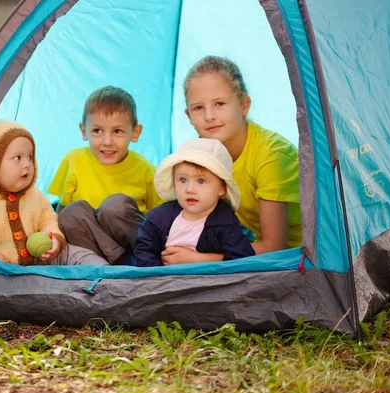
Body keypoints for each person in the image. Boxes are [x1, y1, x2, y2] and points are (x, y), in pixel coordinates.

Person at [183, 55, 302, 256]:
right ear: (189, 116)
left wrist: (202, 260)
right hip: (253, 245)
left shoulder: (271, 155)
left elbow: (273, 247)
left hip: (304, 258)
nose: (209, 115)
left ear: (244, 105)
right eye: (198, 108)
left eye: (220, 103)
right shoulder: (201, 156)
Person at [0, 120, 108, 266]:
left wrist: (53, 238)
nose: (27, 164)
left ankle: (108, 274)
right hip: (4, 270)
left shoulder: (35, 195)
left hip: (44, 258)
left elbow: (48, 219)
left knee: (79, 255)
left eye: (30, 157)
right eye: (17, 158)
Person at [48, 86, 163, 265]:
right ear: (84, 131)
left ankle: (136, 261)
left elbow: (160, 215)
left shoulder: (145, 169)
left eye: (117, 131)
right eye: (97, 131)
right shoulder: (73, 160)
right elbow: (61, 209)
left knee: (114, 207)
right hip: (96, 250)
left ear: (135, 132)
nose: (107, 142)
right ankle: (115, 265)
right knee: (70, 213)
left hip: (137, 247)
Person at [134, 138, 254, 267]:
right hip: (165, 280)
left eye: (201, 181)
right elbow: (143, 249)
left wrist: (197, 259)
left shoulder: (226, 221)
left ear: (221, 188)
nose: (189, 189)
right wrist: (158, 275)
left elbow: (242, 257)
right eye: (183, 180)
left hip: (207, 281)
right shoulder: (161, 216)